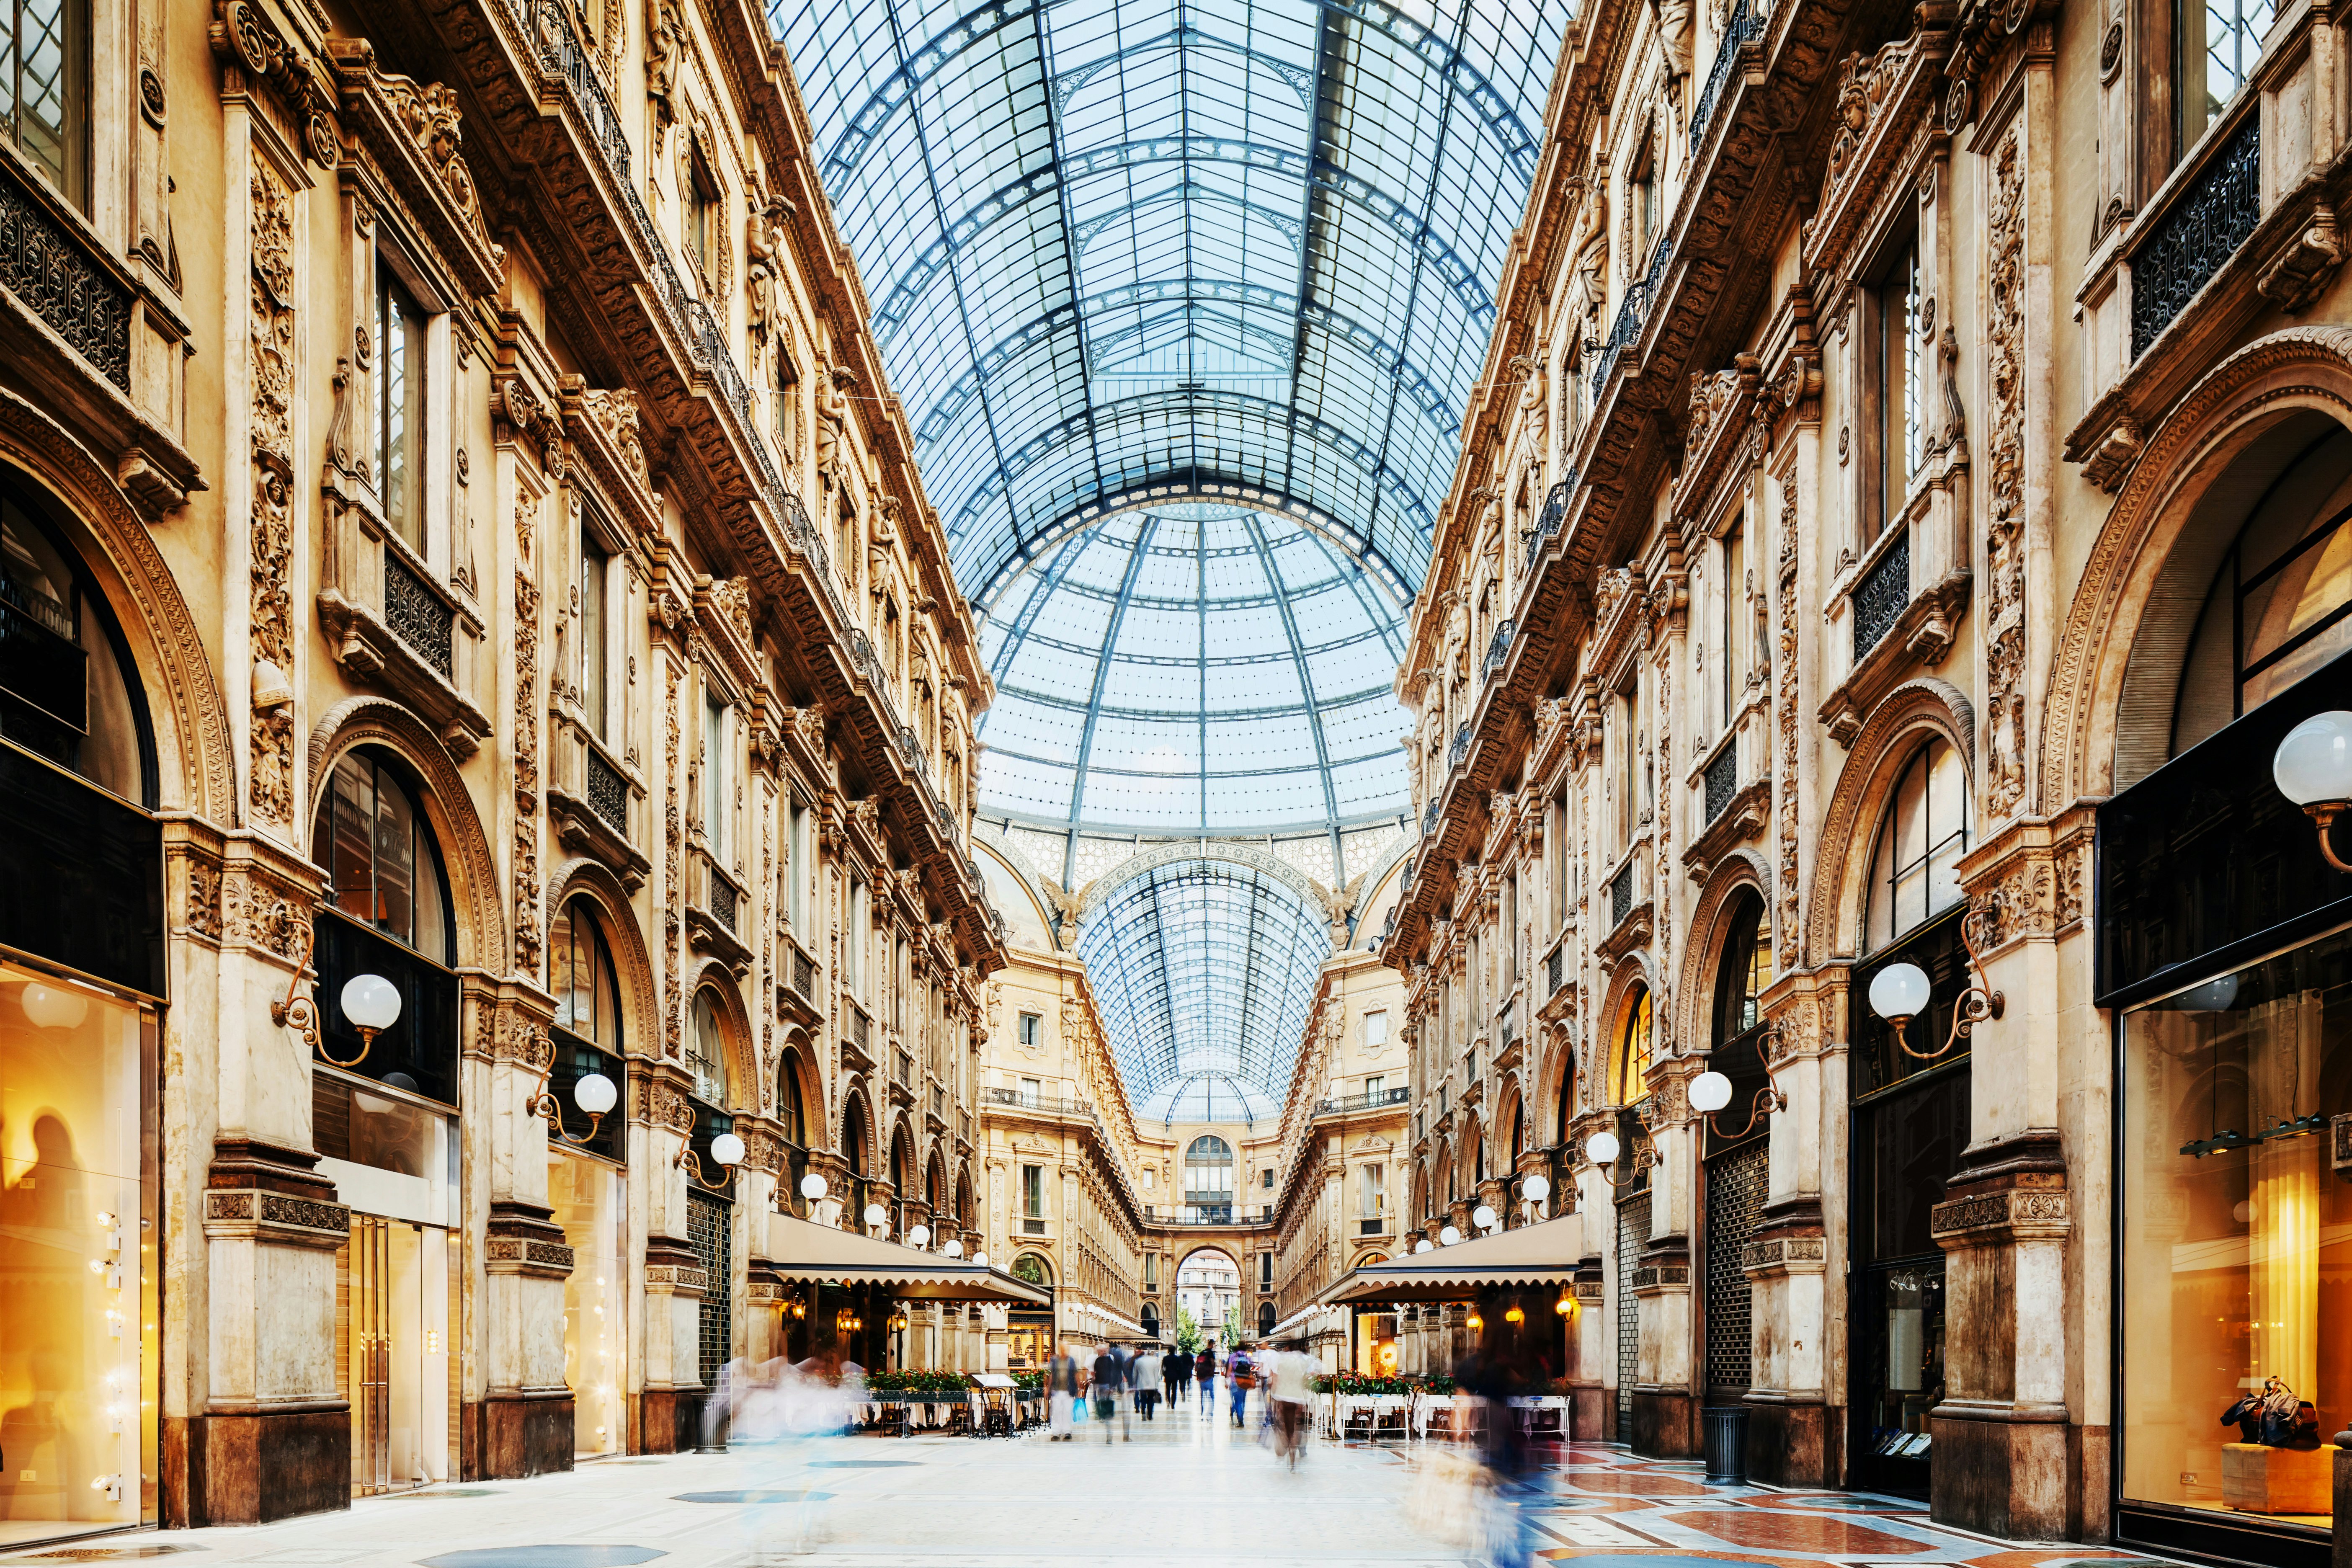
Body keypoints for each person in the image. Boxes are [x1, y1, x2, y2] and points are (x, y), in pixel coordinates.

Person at [1268, 1338, 1315, 1467]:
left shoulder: (1281, 1358)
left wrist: (1274, 1396)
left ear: (1288, 1347)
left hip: (1283, 1395)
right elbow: (1310, 1375)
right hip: (1298, 1396)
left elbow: (1275, 1377)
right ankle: (1294, 1446)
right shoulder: (1303, 1359)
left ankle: (1287, 1442)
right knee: (1295, 1421)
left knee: (1284, 1422)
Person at [1091, 1342, 1129, 1442]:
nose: (1103, 1353)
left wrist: (1112, 1387)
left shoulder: (1111, 1359)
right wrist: (1094, 1381)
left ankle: (1110, 1435)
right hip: (1100, 1386)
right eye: (1101, 1351)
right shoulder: (1097, 1360)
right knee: (1103, 1406)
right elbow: (1096, 1372)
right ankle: (1103, 1418)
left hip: (1108, 1386)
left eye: (1104, 1351)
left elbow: (1114, 1373)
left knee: (1107, 1408)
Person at [1044, 1340, 1082, 1441]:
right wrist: (1048, 1388)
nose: (1064, 1350)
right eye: (1062, 1349)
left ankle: (1067, 1432)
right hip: (1056, 1390)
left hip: (1069, 1391)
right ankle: (1056, 1433)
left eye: (1065, 1349)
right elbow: (1051, 1374)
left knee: (1067, 1412)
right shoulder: (1054, 1360)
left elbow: (1076, 1374)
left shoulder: (1071, 1360)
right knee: (1056, 1412)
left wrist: (1079, 1388)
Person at [1226, 1343, 1253, 1428]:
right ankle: (1241, 1420)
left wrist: (1227, 1381)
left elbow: (1230, 1370)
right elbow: (1250, 1369)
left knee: (1237, 1401)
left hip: (1235, 1381)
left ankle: (1240, 1419)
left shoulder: (1233, 1356)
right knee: (1242, 1401)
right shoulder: (1247, 1356)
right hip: (1245, 1381)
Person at [1133, 1344, 1162, 1421]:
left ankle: (1143, 1412)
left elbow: (1135, 1374)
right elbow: (1156, 1375)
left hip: (1141, 1383)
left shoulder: (1138, 1361)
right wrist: (1157, 1385)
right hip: (1152, 1384)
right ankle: (1150, 1415)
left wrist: (1134, 1383)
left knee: (1143, 1398)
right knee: (1150, 1399)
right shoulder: (1154, 1361)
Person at [1197, 1343, 1218, 1413]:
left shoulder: (1202, 1353)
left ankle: (1202, 1410)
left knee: (1203, 1393)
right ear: (1211, 1345)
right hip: (1209, 1375)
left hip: (1201, 1375)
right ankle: (1211, 1410)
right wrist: (1213, 1372)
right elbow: (1212, 1363)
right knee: (1211, 1393)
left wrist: (1198, 1374)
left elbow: (1197, 1364)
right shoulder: (1211, 1353)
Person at [1163, 1343, 1184, 1409]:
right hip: (1175, 1376)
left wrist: (1165, 1374)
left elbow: (1163, 1368)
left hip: (1168, 1376)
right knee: (1174, 1391)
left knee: (1168, 1390)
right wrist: (1179, 1375)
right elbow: (1181, 1368)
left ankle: (1169, 1402)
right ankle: (1173, 1404)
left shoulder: (1166, 1358)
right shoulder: (1177, 1359)